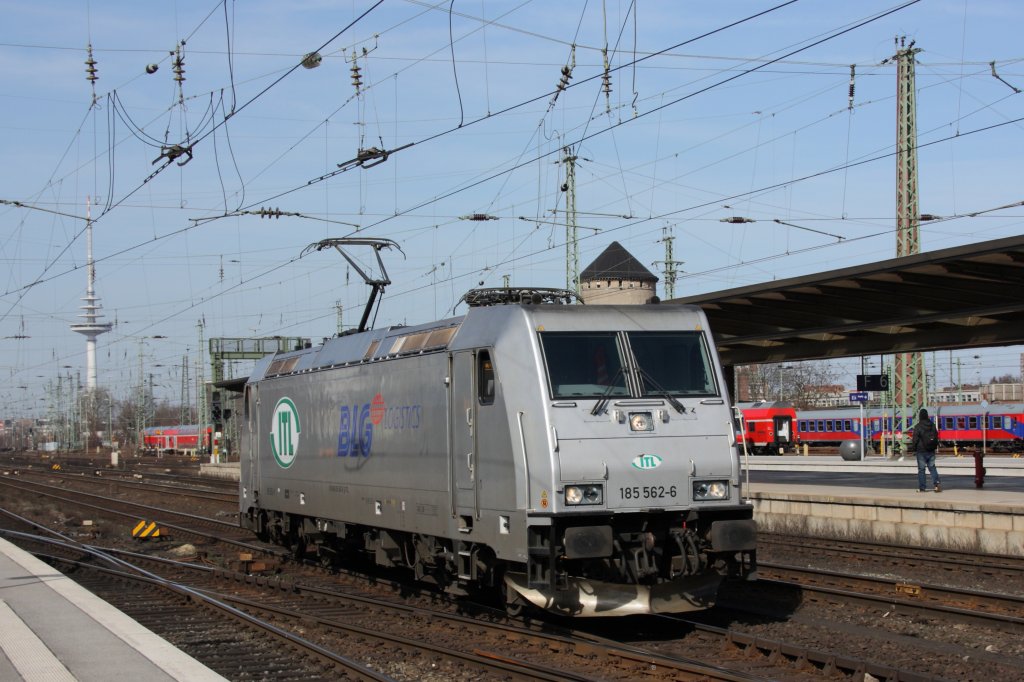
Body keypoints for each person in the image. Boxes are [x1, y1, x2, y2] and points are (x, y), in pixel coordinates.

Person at [911, 408, 941, 492]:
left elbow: (915, 439)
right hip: (931, 450)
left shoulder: (918, 426)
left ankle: (922, 488)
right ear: (927, 415)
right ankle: (937, 484)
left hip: (921, 451)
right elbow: (936, 436)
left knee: (921, 469)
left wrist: (913, 448)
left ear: (920, 416)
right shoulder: (932, 425)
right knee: (932, 467)